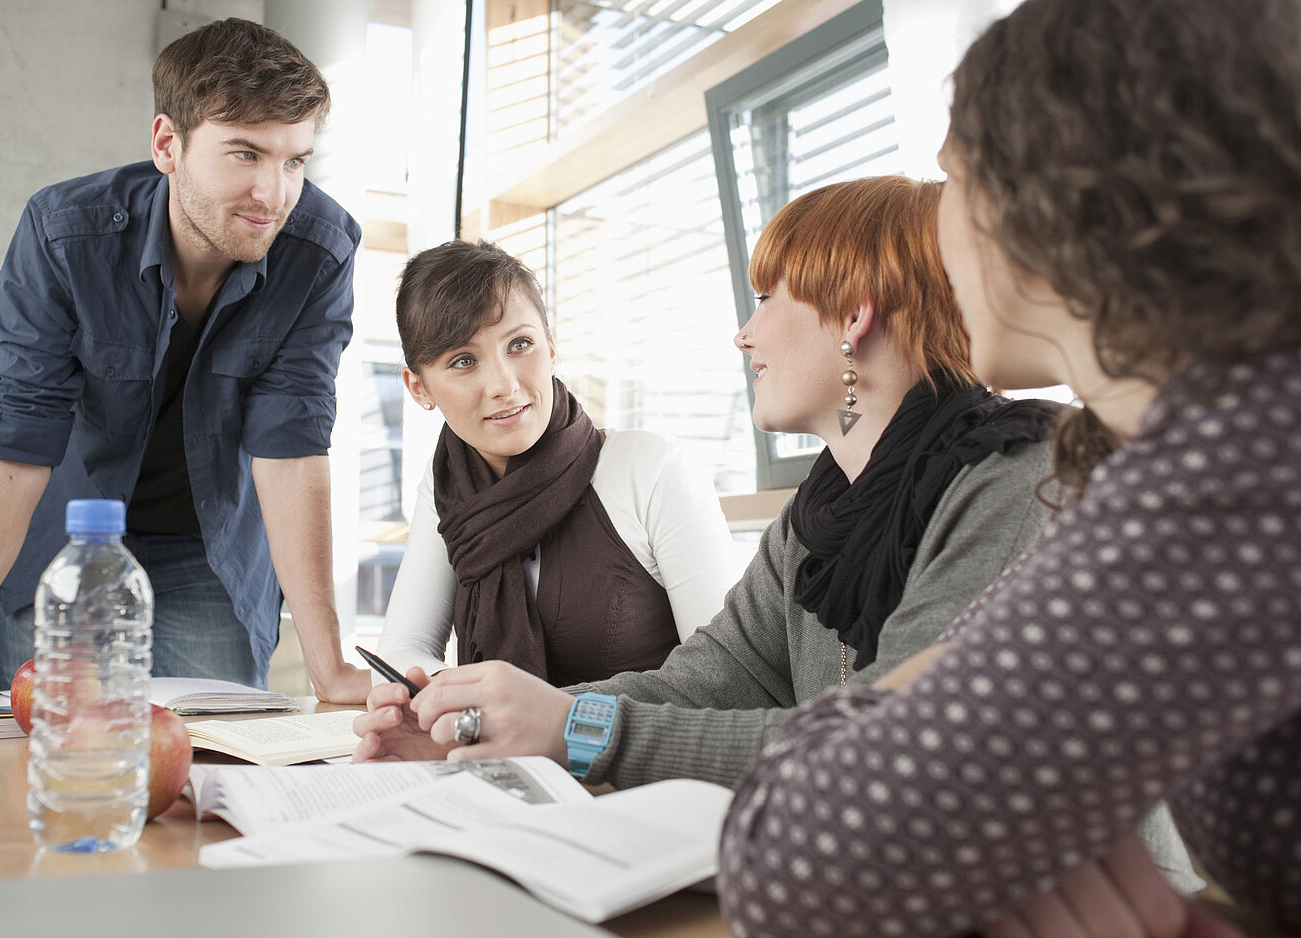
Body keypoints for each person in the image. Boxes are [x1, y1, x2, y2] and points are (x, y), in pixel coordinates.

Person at [714, 0, 1301, 935]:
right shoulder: (1207, 449)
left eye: (950, 179)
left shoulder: (1233, 475)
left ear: (1061, 191)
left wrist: (885, 705)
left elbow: (793, 863)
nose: (936, 236)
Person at [356, 176, 1065, 777]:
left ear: (853, 315)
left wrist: (578, 729)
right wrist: (483, 725)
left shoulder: (1014, 483)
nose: (743, 334)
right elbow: (715, 678)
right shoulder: (816, 517)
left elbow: (893, 751)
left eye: (766, 298)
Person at [0, 17, 371, 735]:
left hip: (212, 551)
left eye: (295, 161)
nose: (274, 193)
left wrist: (331, 670)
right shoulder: (65, 234)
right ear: (168, 144)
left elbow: (291, 445)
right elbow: (16, 439)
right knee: (59, 758)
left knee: (211, 763)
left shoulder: (321, 250)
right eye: (245, 154)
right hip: (68, 546)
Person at [378, 239, 735, 686]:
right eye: (464, 361)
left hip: (640, 754)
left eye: (520, 344)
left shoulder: (652, 469)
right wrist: (473, 703)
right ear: (418, 388)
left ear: (550, 346)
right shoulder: (450, 488)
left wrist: (525, 712)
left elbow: (728, 681)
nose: (503, 385)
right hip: (497, 753)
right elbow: (401, 655)